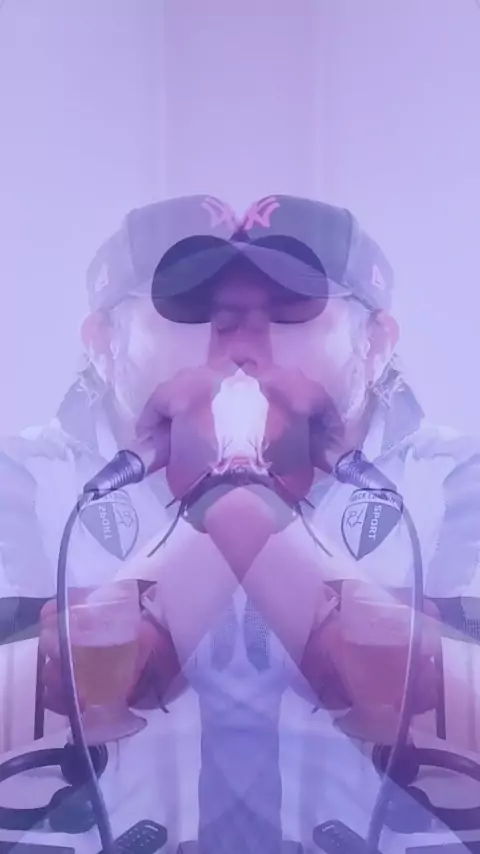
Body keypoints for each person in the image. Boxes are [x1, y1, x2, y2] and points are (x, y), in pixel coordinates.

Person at [4, 194, 479, 847]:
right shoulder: (22, 480)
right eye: (196, 311)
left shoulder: (456, 481)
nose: (242, 346)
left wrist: (247, 508)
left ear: (375, 343)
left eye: (288, 312)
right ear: (104, 342)